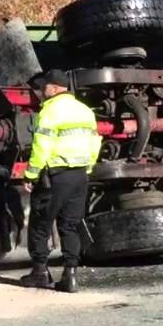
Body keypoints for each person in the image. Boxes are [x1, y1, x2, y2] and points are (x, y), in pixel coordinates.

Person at [20, 69, 100, 293]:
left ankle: (40, 273)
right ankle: (70, 276)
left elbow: (41, 146)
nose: (41, 91)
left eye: (44, 86)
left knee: (41, 224)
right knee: (70, 225)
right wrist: (88, 167)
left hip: (55, 176)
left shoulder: (50, 111)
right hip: (80, 175)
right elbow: (95, 143)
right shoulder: (85, 111)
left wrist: (31, 174)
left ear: (54, 88)